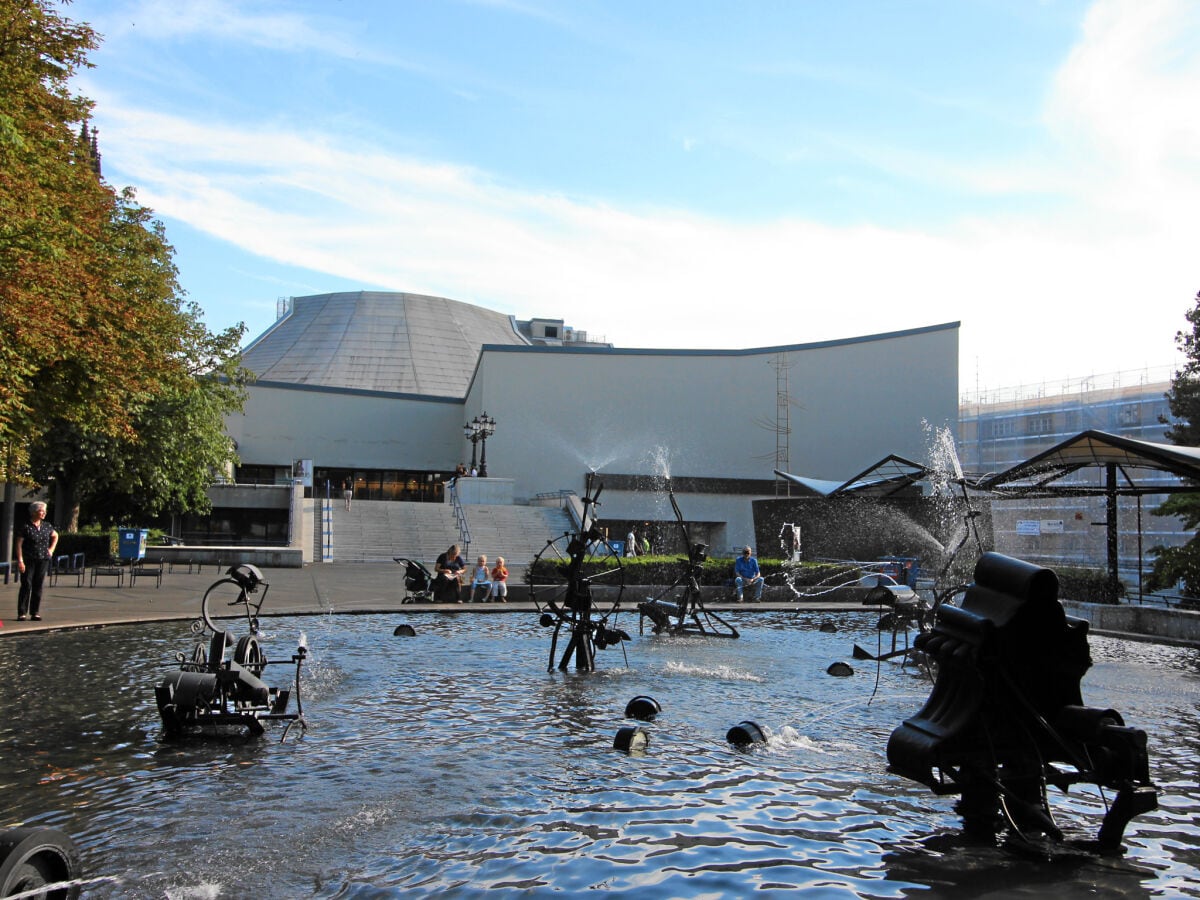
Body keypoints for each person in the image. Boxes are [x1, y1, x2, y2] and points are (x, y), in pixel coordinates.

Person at [16, 501, 58, 621]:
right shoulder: (26, 526)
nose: (44, 513)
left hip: (42, 559)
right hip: (29, 559)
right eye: (41, 511)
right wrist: (20, 560)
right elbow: (18, 544)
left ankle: (35, 612)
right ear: (34, 512)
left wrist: (51, 549)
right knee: (26, 584)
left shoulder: (47, 526)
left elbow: (55, 535)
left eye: (45, 511)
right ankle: (22, 612)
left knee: (38, 585)